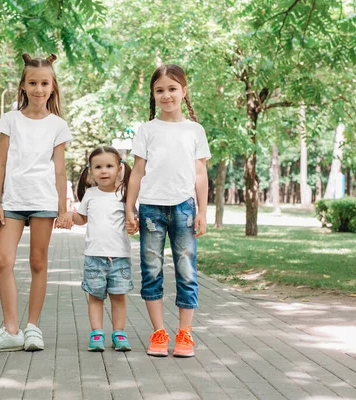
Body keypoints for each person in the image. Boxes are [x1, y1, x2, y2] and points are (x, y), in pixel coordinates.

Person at [0, 53, 73, 353]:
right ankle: (11, 330)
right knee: (2, 260)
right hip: (13, 201)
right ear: (23, 86)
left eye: (44, 83)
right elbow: (0, 164)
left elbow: (59, 169)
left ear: (53, 87)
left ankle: (32, 328)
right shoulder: (10, 120)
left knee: (38, 263)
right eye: (33, 82)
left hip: (43, 200)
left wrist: (63, 207)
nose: (38, 89)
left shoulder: (58, 125)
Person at [125, 64, 211, 358]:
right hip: (151, 209)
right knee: (151, 270)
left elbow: (201, 174)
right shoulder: (147, 130)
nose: (166, 95)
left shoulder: (194, 130)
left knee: (186, 270)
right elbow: (137, 172)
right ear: (153, 94)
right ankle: (158, 332)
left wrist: (202, 211)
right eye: (160, 90)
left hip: (184, 207)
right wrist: (129, 208)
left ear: (184, 91)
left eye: (172, 89)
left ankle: (185, 334)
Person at [70, 146, 135, 352]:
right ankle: (97, 333)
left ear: (119, 169)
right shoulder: (90, 194)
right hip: (94, 257)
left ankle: (119, 333)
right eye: (98, 167)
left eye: (109, 166)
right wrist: (67, 216)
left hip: (120, 257)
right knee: (95, 297)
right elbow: (81, 219)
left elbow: (133, 220)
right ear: (91, 171)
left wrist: (135, 225)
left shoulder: (125, 194)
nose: (104, 171)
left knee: (118, 297)